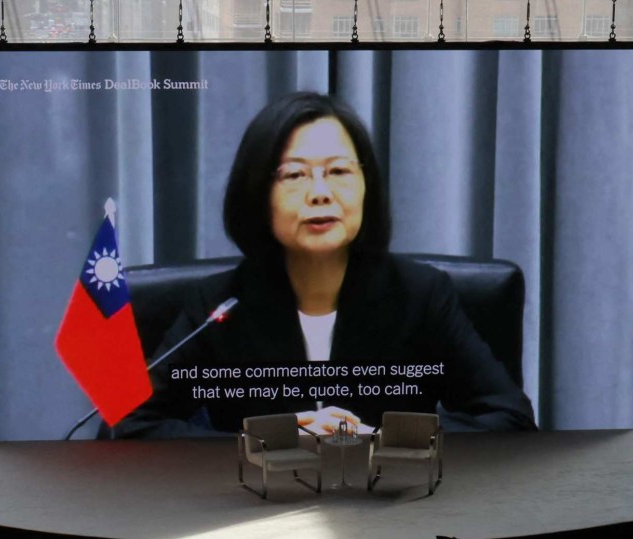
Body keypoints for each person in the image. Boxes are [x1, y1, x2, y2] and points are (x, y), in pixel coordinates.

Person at [113, 91, 535, 439]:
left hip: (390, 504)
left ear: (367, 186)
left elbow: (510, 418)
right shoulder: (220, 305)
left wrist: (380, 441)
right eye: (294, 175)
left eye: (338, 171)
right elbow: (130, 426)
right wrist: (267, 441)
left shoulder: (420, 295)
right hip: (263, 506)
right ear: (257, 194)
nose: (320, 193)